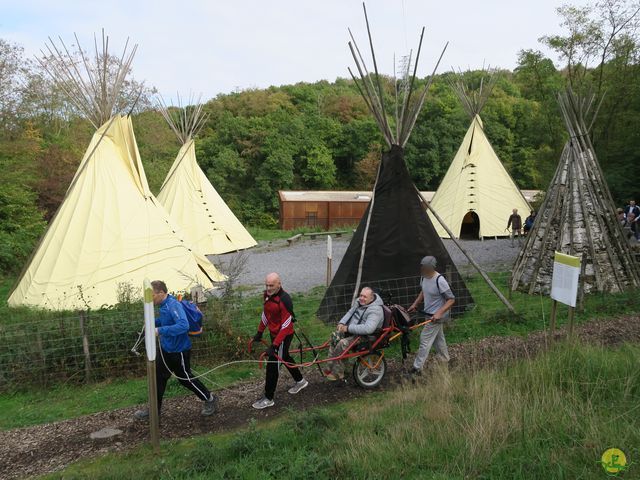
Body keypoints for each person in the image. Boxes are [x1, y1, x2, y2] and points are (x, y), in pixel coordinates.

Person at [134, 280, 217, 420]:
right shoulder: (164, 305)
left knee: (185, 379)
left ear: (161, 293)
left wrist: (159, 330)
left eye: (152, 295)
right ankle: (154, 411)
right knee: (158, 379)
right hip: (166, 349)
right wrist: (152, 323)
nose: (150, 299)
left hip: (179, 350)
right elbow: (167, 321)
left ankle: (209, 399)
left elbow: (183, 325)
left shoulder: (173, 305)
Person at [251, 273, 308, 409]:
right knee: (285, 356)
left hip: (284, 336)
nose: (269, 288)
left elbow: (286, 325)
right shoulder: (266, 295)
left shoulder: (285, 300)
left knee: (272, 365)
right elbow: (266, 314)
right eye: (267, 285)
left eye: (271, 285)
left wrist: (275, 345)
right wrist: (259, 332)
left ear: (279, 284)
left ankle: (269, 398)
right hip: (274, 334)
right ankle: (300, 381)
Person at [323, 287, 384, 381]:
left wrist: (347, 328)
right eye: (361, 295)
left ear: (371, 298)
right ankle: (330, 366)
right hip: (353, 331)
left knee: (342, 343)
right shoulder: (360, 302)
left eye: (365, 297)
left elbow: (368, 329)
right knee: (335, 336)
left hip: (366, 336)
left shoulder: (375, 310)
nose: (361, 298)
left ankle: (337, 373)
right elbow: (350, 312)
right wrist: (342, 323)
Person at [407, 256, 455, 375]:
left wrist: (439, 313)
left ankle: (417, 369)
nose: (423, 269)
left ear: (432, 268)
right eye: (422, 267)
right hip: (428, 315)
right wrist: (415, 304)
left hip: (437, 317)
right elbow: (423, 291)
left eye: (426, 268)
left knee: (424, 340)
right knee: (439, 339)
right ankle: (445, 360)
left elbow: (451, 299)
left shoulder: (440, 280)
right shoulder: (424, 277)